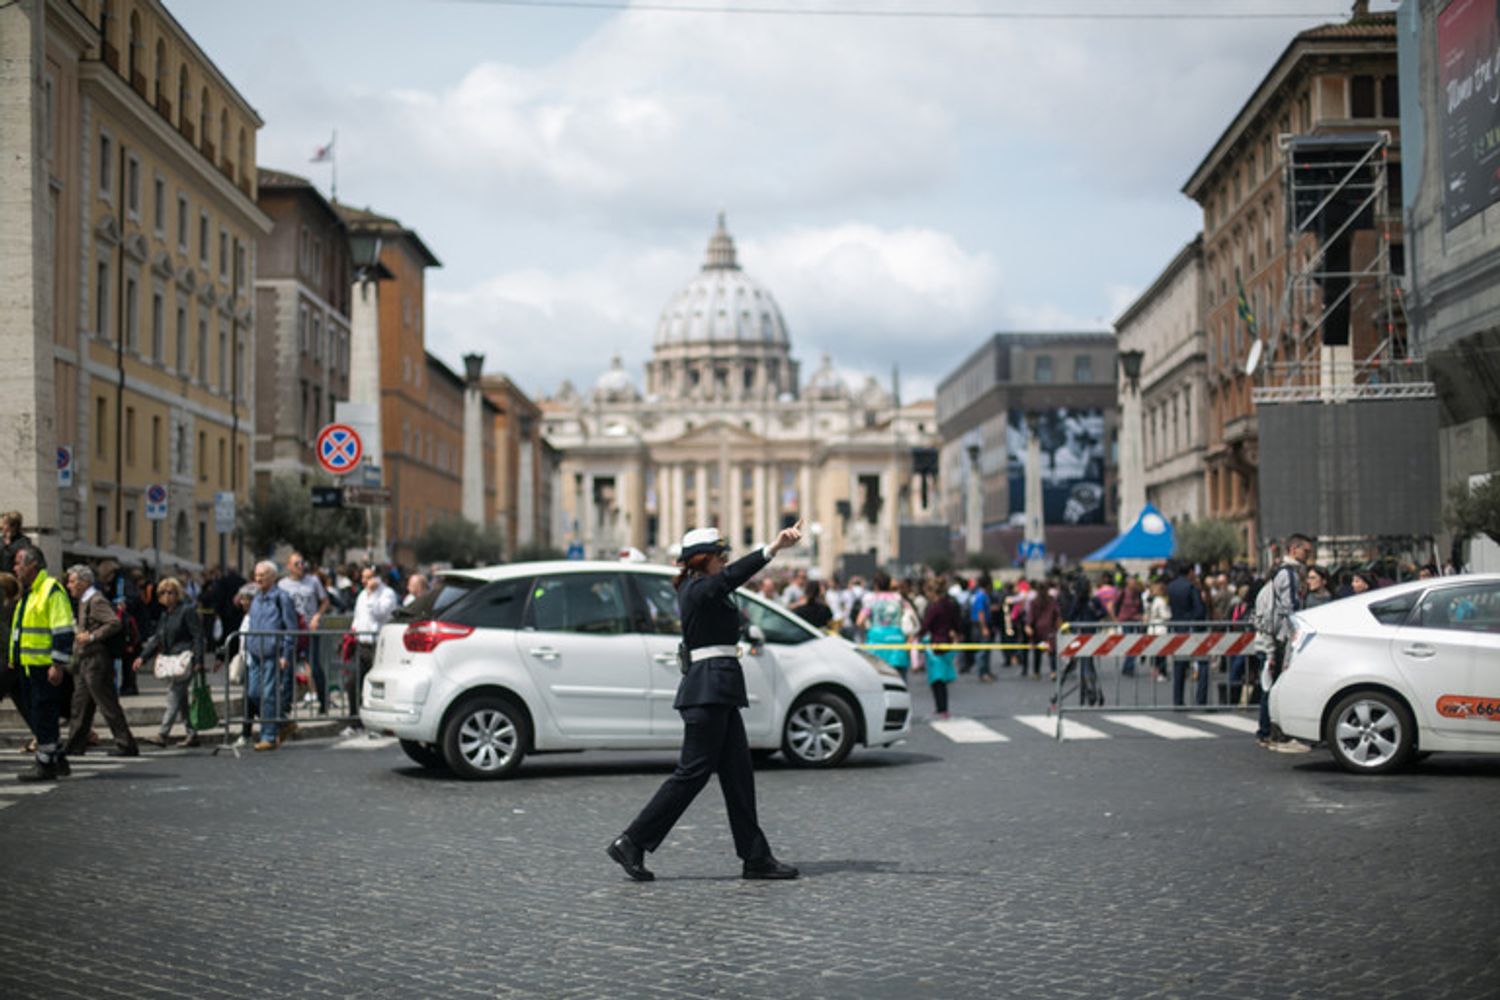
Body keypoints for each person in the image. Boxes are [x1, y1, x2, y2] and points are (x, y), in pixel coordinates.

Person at [608, 523, 804, 883]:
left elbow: (727, 584)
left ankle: (755, 857)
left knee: (738, 776)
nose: (724, 560)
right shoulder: (698, 587)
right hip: (708, 690)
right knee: (691, 774)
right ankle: (631, 841)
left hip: (719, 690)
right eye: (719, 555)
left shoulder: (703, 587)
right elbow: (729, 579)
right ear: (702, 559)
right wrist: (772, 548)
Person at [11, 547, 76, 781]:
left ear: (33, 565)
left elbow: (63, 629)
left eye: (18, 563)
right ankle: (57, 759)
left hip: (44, 667)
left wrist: (57, 664)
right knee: (39, 715)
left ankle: (45, 764)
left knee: (44, 716)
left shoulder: (51, 590)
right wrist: (14, 658)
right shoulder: (30, 593)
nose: (14, 568)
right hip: (29, 666)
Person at [61, 565, 137, 757]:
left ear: (84, 582)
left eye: (72, 581)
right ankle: (75, 744)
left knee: (107, 704)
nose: (69, 585)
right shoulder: (84, 600)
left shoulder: (96, 600)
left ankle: (126, 744)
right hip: (84, 659)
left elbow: (114, 622)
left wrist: (92, 636)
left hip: (96, 660)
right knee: (80, 705)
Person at [1257, 534, 1313, 752]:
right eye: (1305, 551)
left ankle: (1267, 732)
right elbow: (1289, 610)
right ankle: (1273, 734)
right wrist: (1292, 636)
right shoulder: (1288, 574)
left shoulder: (1282, 571)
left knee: (1270, 686)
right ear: (1293, 549)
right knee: (1275, 687)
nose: (1308, 555)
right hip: (1279, 639)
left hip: (1273, 637)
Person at [134, 577, 205, 747]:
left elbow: (198, 636)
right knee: (181, 699)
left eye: (170, 592)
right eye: (162, 593)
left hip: (184, 660)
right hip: (171, 661)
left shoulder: (186, 611)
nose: (166, 596)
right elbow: (157, 638)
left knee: (173, 695)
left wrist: (199, 660)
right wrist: (143, 657)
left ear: (177, 594)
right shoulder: (165, 614)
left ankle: (163, 734)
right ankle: (192, 734)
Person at [246, 561, 298, 751]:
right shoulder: (256, 598)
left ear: (273, 577)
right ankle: (283, 722)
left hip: (273, 654)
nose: (258, 578)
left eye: (263, 575)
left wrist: (285, 654)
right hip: (255, 653)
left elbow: (291, 628)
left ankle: (268, 736)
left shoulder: (282, 598)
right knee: (253, 693)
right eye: (256, 574)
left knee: (268, 695)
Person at [346, 565, 399, 733]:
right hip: (362, 645)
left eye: (368, 577)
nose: (364, 581)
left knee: (377, 687)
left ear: (377, 578)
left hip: (379, 646)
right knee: (353, 682)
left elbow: (379, 614)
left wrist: (371, 594)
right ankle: (354, 721)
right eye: (363, 577)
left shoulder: (387, 594)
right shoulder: (362, 595)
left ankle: (378, 724)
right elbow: (358, 617)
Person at [279, 552, 331, 715]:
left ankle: (324, 702)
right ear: (289, 566)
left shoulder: (313, 581)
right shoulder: (282, 585)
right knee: (288, 668)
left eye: (302, 563)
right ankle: (285, 705)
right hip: (292, 631)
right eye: (296, 564)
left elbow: (325, 601)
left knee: (315, 667)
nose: (300, 566)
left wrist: (317, 616)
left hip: (309, 630)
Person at [857, 572, 914, 681]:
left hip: (876, 645)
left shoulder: (871, 600)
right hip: (897, 643)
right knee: (899, 681)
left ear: (875, 585)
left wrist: (869, 629)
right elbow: (910, 617)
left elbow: (859, 621)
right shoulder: (899, 599)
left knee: (878, 682)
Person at [1166, 562, 1209, 707]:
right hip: (1193, 629)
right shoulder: (1191, 587)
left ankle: (1178, 700)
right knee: (1203, 662)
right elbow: (1199, 610)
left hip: (1178, 628)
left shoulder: (1171, 586)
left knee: (1179, 665)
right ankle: (1201, 699)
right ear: (1190, 571)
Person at [1024, 582, 1062, 682]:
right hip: (1050, 629)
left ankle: (1036, 672)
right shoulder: (1052, 600)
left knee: (1037, 652)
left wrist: (1028, 625)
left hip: (1038, 630)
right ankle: (1053, 671)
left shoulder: (1034, 602)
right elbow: (1057, 614)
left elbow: (1030, 616)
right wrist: (1058, 625)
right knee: (1052, 651)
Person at [969, 573, 995, 682]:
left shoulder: (983, 595)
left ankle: (986, 671)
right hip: (980, 625)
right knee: (982, 650)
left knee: (986, 650)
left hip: (983, 624)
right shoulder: (980, 596)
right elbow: (980, 612)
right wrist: (984, 627)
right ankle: (982, 673)